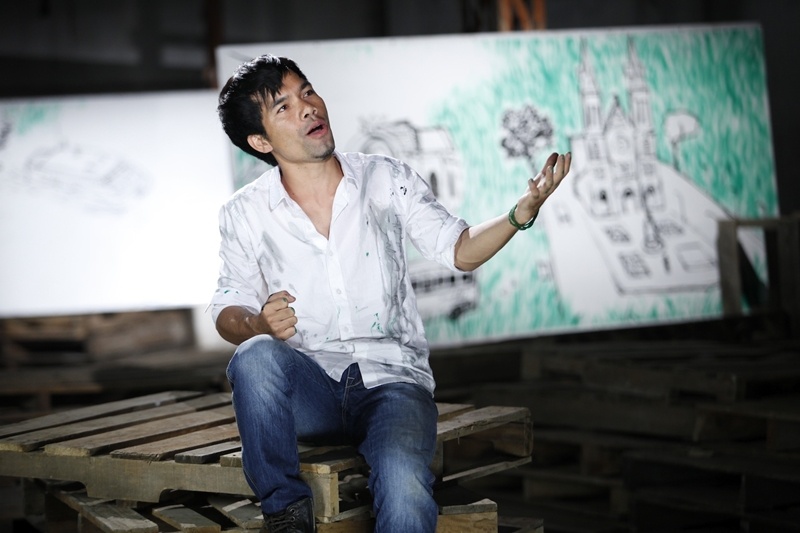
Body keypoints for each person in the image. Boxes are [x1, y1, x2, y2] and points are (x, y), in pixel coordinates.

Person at [210, 54, 571, 533]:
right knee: (254, 355)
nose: (308, 107)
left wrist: (519, 212)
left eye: (307, 92)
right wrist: (256, 323)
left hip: (392, 383)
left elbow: (459, 250)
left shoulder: (384, 178)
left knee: (404, 488)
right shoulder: (245, 212)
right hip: (311, 389)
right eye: (284, 107)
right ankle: (286, 514)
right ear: (260, 141)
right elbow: (226, 307)